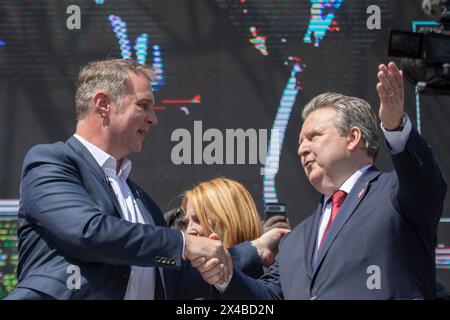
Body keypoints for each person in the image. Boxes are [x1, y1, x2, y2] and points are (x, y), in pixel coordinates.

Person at [6, 58, 261, 300]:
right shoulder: (51, 162)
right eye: (143, 105)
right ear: (103, 104)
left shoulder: (143, 203)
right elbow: (88, 232)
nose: (153, 118)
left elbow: (175, 282)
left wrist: (256, 250)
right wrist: (184, 243)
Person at [213, 62, 447, 299]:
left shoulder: (394, 195)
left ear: (353, 137)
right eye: (300, 143)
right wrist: (223, 274)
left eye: (314, 137)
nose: (302, 149)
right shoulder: (294, 240)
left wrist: (395, 126)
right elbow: (266, 297)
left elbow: (425, 181)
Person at [182, 177, 290, 273]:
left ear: (229, 223)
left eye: (198, 220)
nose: (188, 231)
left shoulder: (273, 281)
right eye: (186, 223)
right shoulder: (184, 278)